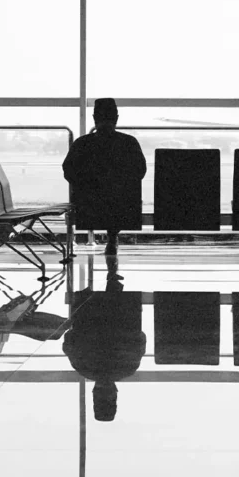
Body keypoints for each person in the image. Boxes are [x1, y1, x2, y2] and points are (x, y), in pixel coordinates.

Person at [62, 253, 145, 421]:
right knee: (93, 310)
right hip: (89, 307)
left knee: (115, 312)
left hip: (123, 307)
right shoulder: (81, 367)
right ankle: (109, 278)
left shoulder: (129, 368)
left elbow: (140, 338)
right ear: (93, 393)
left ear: (114, 394)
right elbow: (69, 339)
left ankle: (113, 279)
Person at [62, 98, 147, 254]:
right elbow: (140, 171)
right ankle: (113, 238)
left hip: (88, 206)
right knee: (117, 199)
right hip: (123, 206)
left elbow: (68, 171)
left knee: (104, 200)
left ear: (95, 118)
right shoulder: (129, 143)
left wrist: (86, 187)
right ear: (116, 118)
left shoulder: (82, 144)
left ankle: (109, 239)